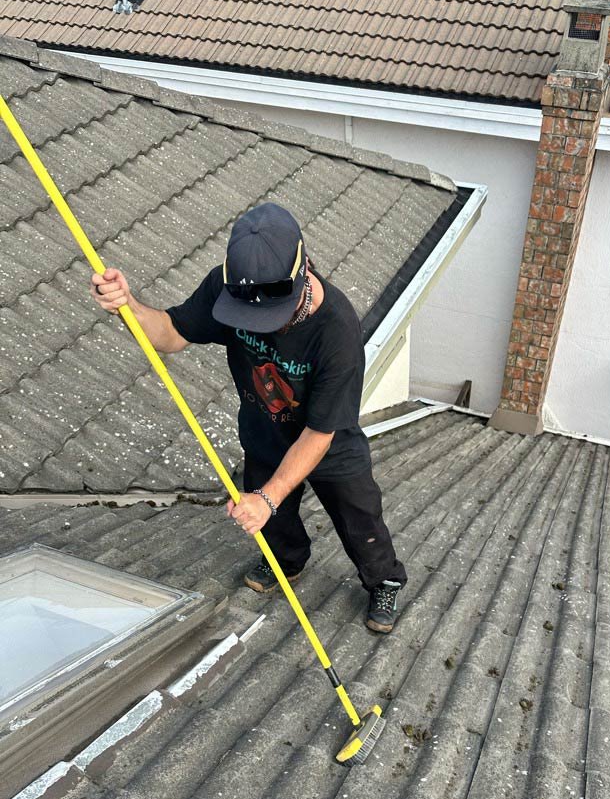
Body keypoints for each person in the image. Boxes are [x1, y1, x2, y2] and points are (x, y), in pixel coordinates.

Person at [90, 202, 407, 633]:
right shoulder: (228, 285)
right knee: (273, 523)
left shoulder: (338, 332)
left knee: (361, 519)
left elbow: (317, 435)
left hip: (327, 440)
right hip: (264, 432)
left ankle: (383, 580)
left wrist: (268, 496)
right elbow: (170, 333)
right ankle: (286, 561)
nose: (260, 326)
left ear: (303, 272)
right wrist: (128, 306)